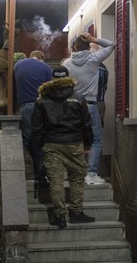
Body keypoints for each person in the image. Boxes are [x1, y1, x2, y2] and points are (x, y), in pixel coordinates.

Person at [31, 70, 95, 229]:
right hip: (74, 143)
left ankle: (59, 216)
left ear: (52, 80)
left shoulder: (42, 100)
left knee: (56, 181)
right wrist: (88, 143)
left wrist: (39, 145)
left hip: (52, 144)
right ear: (68, 79)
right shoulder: (78, 98)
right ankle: (76, 212)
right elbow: (86, 123)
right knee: (77, 178)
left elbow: (36, 127)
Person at [62, 32, 116, 185]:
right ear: (87, 46)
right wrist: (93, 39)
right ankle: (91, 174)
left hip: (72, 106)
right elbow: (111, 44)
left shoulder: (66, 63)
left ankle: (74, 171)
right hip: (90, 106)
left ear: (74, 47)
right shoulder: (94, 59)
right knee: (96, 140)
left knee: (74, 138)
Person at [13, 49, 52, 183]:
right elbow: (49, 90)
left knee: (27, 139)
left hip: (24, 106)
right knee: (40, 140)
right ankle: (40, 173)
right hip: (41, 106)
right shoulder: (46, 68)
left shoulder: (18, 65)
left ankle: (28, 169)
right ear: (41, 58)